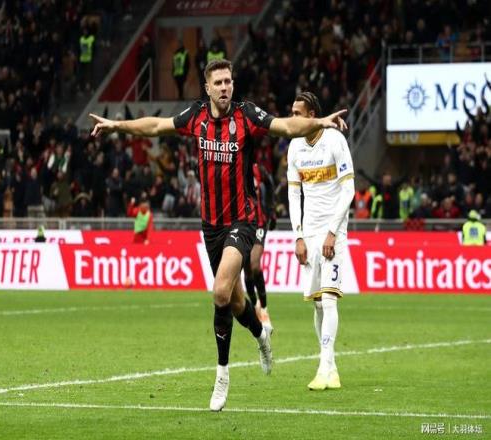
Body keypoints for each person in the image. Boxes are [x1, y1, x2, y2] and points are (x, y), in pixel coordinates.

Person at [90, 59, 347, 411]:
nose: (225, 87)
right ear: (207, 88)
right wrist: (117, 125)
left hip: (242, 220)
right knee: (235, 301)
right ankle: (261, 334)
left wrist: (319, 121)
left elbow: (286, 125)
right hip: (210, 225)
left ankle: (222, 375)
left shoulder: (247, 115)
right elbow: (156, 126)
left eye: (229, 81)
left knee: (220, 290)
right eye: (219, 82)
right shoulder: (196, 117)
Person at [286, 91, 354, 391]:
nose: (292, 118)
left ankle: (324, 366)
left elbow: (349, 190)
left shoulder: (335, 140)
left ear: (312, 115)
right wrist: (298, 235)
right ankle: (332, 368)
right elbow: (293, 194)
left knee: (329, 299)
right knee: (317, 304)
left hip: (333, 230)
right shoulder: (294, 146)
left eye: (297, 113)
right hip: (310, 233)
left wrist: (332, 232)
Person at [244, 163, 276, 333]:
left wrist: (271, 210)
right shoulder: (232, 165)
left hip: (259, 223)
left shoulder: (257, 168)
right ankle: (255, 305)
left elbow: (269, 184)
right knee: (247, 270)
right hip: (241, 224)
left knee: (255, 264)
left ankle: (264, 308)